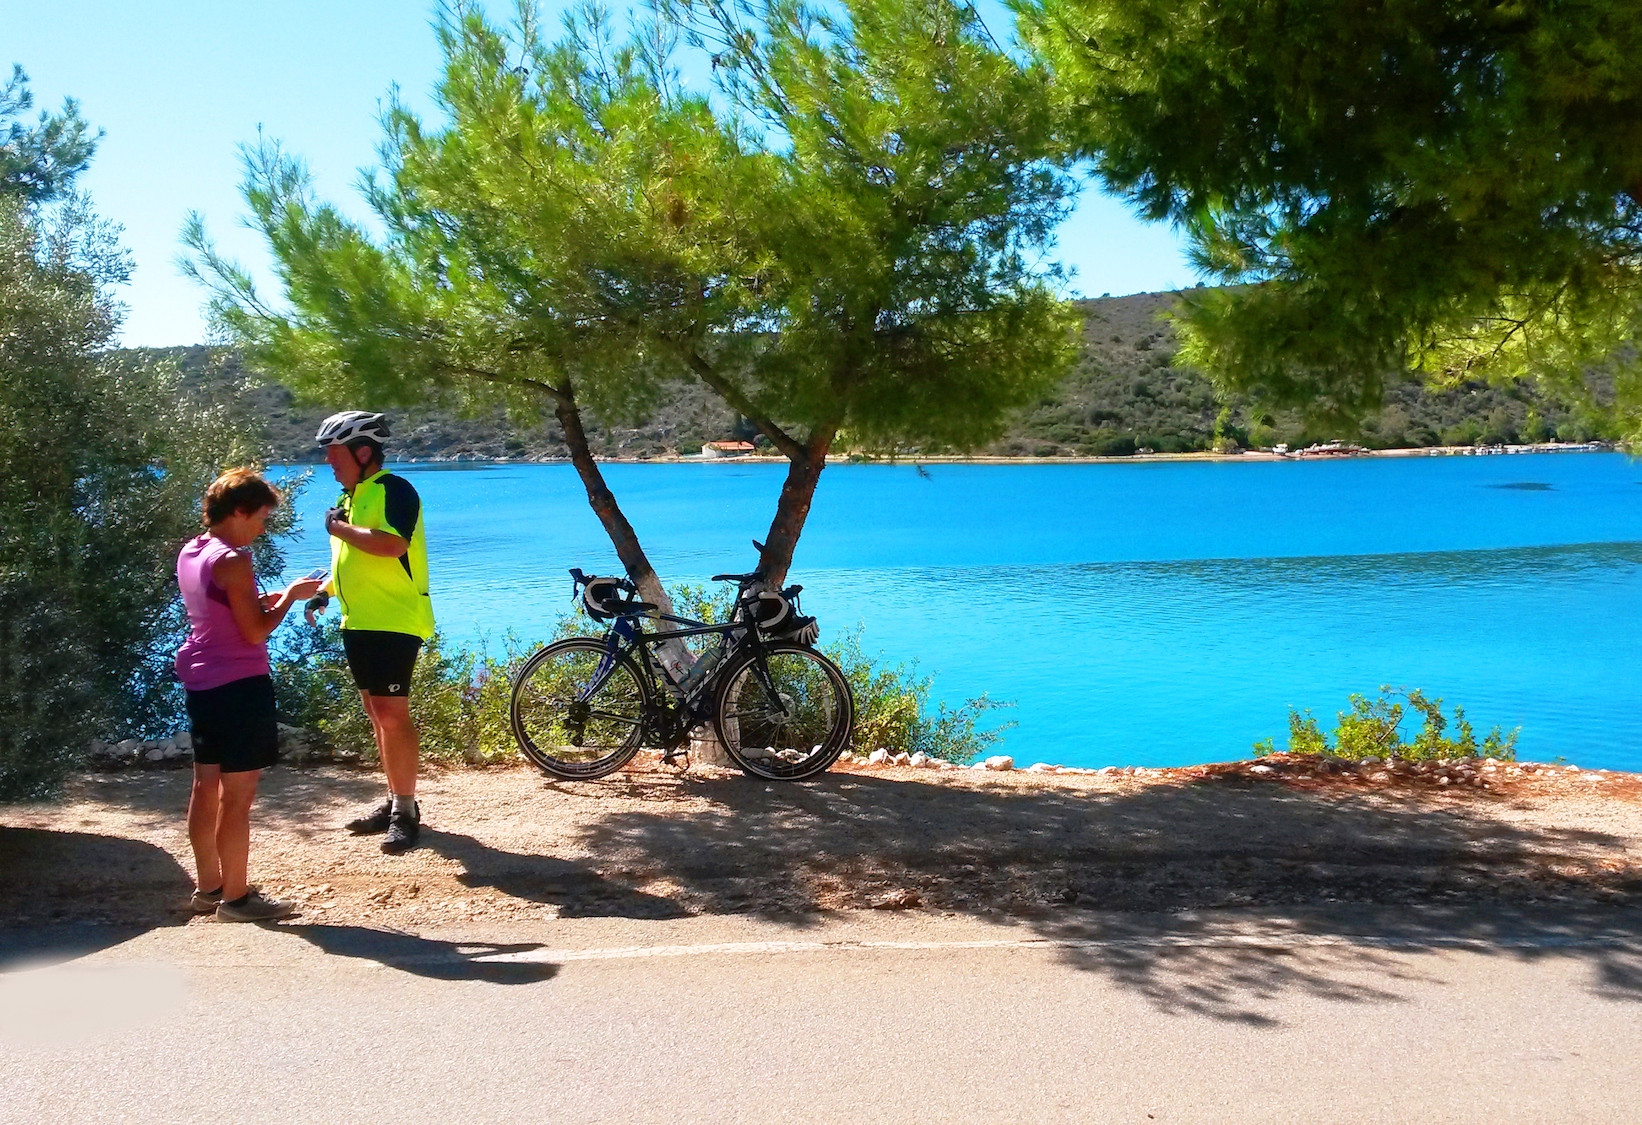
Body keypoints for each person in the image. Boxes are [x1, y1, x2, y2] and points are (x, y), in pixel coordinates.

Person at [177, 469, 324, 922]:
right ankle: (237, 900)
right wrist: (290, 599)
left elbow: (221, 609)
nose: (264, 527)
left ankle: (208, 888)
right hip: (240, 685)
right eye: (261, 517)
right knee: (237, 797)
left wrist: (263, 599)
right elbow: (255, 632)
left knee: (206, 787)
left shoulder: (193, 550)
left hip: (202, 680)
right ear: (239, 512)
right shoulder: (235, 561)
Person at [304, 411, 435, 854]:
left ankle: (405, 810)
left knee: (393, 715)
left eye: (334, 452)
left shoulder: (394, 489)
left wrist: (337, 526)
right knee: (378, 715)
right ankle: (396, 798)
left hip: (394, 619)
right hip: (358, 621)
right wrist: (325, 592)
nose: (328, 460)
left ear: (363, 452)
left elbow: (391, 543)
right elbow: (352, 559)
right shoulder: (352, 496)